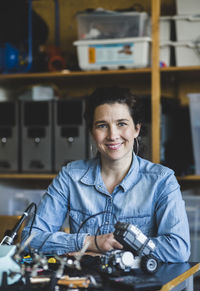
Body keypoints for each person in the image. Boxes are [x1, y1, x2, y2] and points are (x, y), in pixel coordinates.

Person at [21, 87, 190, 262]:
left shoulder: (162, 180)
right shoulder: (70, 176)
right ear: (92, 133)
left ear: (136, 129)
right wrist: (91, 242)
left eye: (121, 124)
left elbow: (177, 249)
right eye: (102, 125)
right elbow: (30, 239)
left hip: (141, 285)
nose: (112, 135)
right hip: (84, 283)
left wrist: (113, 253)